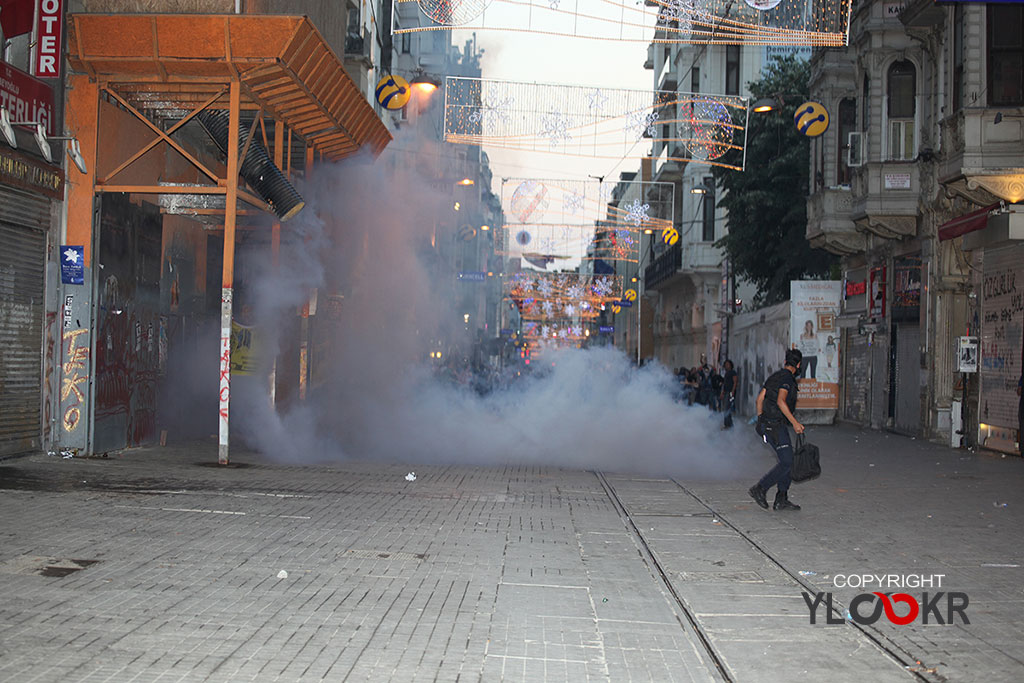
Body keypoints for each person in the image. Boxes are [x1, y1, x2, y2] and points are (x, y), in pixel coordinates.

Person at [749, 349, 805, 512]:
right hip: (775, 425)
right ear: (799, 364)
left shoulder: (775, 376)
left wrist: (760, 420)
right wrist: (795, 423)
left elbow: (760, 399)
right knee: (788, 461)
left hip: (769, 424)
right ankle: (760, 488)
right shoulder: (787, 378)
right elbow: (781, 401)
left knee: (787, 460)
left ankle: (781, 499)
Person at [720, 359, 738, 428]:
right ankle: (728, 424)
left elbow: (735, 382)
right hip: (726, 392)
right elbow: (725, 384)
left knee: (727, 408)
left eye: (728, 364)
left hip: (730, 392)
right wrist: (722, 393)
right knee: (726, 408)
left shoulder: (733, 372)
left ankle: (728, 424)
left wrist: (732, 391)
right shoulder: (726, 373)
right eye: (726, 365)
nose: (727, 366)